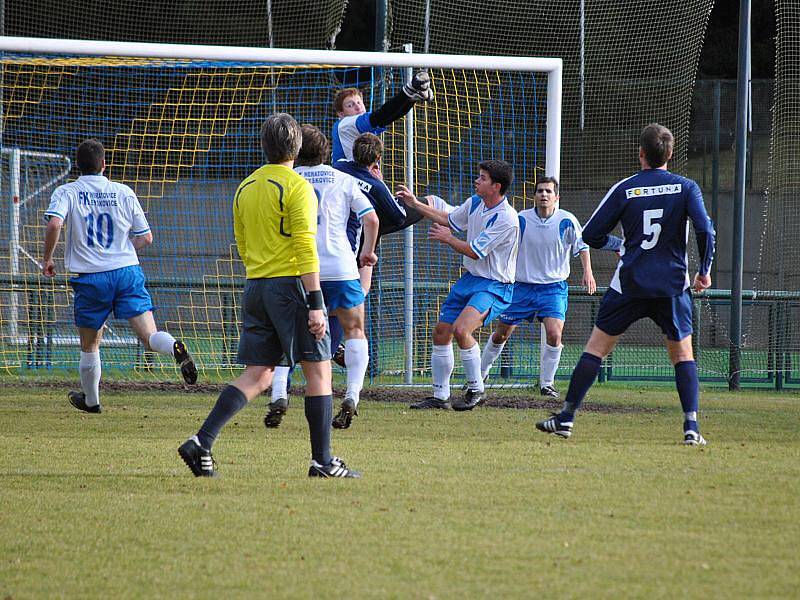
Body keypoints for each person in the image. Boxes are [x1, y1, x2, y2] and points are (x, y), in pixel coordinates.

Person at [178, 113, 360, 478]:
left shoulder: (246, 186)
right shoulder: (297, 187)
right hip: (291, 286)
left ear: (264, 146)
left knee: (260, 375)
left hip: (256, 285)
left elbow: (242, 243)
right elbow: (305, 246)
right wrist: (315, 303)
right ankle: (322, 462)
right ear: (296, 147)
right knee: (319, 374)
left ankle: (201, 442)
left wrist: (262, 273)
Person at [535, 123, 715, 446]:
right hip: (672, 285)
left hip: (630, 282)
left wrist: (620, 244)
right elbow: (705, 230)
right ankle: (691, 427)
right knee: (682, 355)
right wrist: (704, 270)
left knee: (595, 349)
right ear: (670, 154)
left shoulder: (625, 189)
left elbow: (589, 235)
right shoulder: (687, 188)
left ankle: (565, 417)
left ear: (641, 153)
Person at [42, 139, 197, 414]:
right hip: (127, 272)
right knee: (149, 336)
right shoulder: (123, 191)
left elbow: (55, 222)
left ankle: (91, 401)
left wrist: (48, 259)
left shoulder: (67, 191)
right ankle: (174, 345)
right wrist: (121, 250)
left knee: (90, 344)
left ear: (78, 166)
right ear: (104, 164)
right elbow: (146, 237)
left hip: (91, 277)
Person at [266, 124, 379, 431]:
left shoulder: (287, 180)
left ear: (297, 152)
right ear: (327, 151)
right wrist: (367, 253)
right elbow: (371, 218)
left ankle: (278, 394)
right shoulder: (344, 179)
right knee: (355, 331)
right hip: (341, 268)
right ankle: (352, 396)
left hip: (299, 268)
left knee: (286, 334)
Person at [397, 160, 519, 411]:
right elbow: (448, 218)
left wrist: (448, 239)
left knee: (462, 330)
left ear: (496, 186)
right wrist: (415, 204)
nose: (477, 180)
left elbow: (475, 251)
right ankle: (440, 396)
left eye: (482, 178)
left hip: (495, 285)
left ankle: (477, 390)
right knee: (442, 331)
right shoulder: (476, 202)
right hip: (470, 280)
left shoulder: (507, 218)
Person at [479, 176, 598, 398]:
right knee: (501, 334)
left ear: (557, 197)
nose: (544, 195)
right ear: (534, 196)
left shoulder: (567, 220)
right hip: (521, 287)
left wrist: (588, 272)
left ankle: (546, 383)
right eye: (540, 191)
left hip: (553, 289)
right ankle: (480, 375)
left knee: (554, 335)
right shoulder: (521, 219)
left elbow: (582, 246)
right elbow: (504, 243)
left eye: (548, 192)